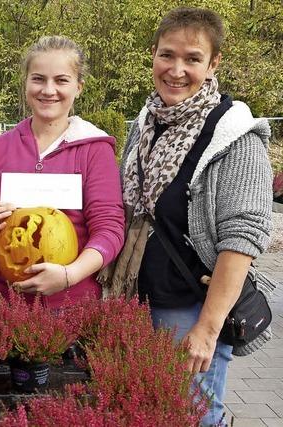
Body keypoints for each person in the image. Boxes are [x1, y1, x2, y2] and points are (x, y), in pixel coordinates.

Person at [100, 7, 272, 426]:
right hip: (137, 300)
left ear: (213, 64)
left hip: (191, 310)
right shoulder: (146, 124)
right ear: (153, 57)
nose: (176, 69)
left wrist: (208, 330)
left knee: (192, 415)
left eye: (192, 58)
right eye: (167, 55)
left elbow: (242, 238)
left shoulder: (234, 136)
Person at [0, 36, 125, 309]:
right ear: (25, 83)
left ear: (78, 87)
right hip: (7, 304)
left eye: (61, 80)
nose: (49, 90)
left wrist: (67, 275)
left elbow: (109, 231)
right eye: (38, 79)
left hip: (74, 307)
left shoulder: (94, 150)